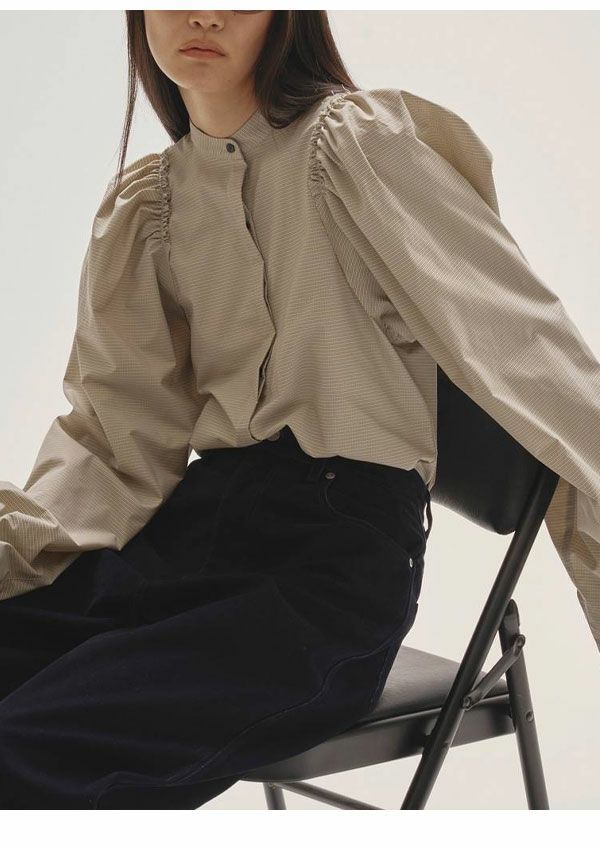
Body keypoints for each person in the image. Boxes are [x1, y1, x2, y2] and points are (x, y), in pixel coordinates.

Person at [0, 9, 597, 809]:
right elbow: (114, 436)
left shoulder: (360, 148)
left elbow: (529, 354)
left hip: (330, 569)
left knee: (27, 752)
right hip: (189, 539)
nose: (204, 14)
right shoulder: (153, 207)